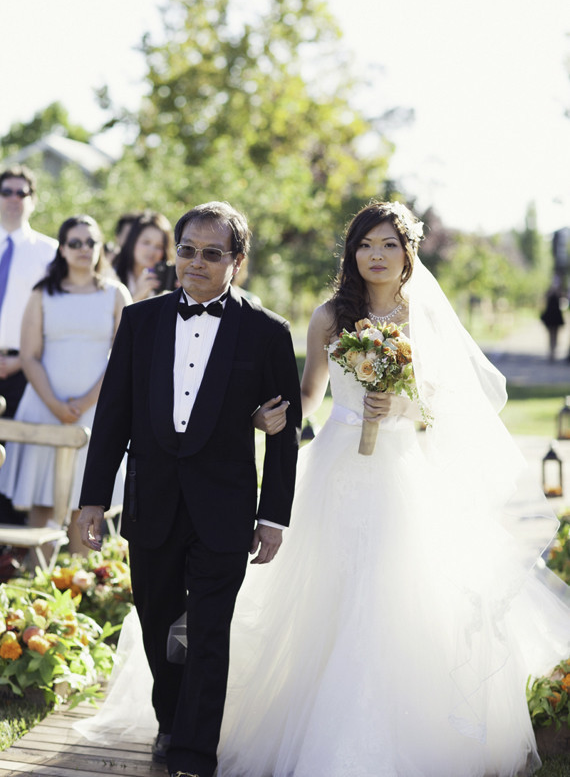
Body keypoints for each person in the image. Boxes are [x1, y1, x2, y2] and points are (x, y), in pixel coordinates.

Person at [78, 200, 570, 777]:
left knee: (380, 600)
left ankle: (201, 753)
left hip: (396, 474)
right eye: (366, 244)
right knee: (256, 608)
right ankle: (187, 722)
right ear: (352, 251)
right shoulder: (324, 317)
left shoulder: (416, 320)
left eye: (388, 244)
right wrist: (274, 418)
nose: (376, 254)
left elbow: (443, 405)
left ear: (408, 252)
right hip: (331, 465)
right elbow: (305, 396)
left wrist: (403, 403)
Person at [77, 200, 301, 777]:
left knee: (207, 632)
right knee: (156, 622)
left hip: (224, 509)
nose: (196, 263)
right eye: (187, 250)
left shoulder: (268, 331)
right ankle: (170, 719)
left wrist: (274, 516)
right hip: (151, 502)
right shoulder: (141, 320)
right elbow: (114, 417)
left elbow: (286, 430)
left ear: (237, 261)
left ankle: (193, 754)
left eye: (212, 253)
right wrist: (93, 501)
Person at [1, 215, 130, 554]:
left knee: (86, 505)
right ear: (62, 248)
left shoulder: (116, 294)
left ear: (101, 247)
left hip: (95, 410)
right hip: (44, 405)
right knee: (42, 500)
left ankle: (81, 587)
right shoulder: (43, 292)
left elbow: (123, 358)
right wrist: (56, 404)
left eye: (91, 242)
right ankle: (37, 586)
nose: (84, 249)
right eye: (75, 242)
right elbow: (29, 355)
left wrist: (86, 401)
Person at [0, 166, 58, 524]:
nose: (14, 199)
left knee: (16, 456)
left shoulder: (50, 253)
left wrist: (23, 359)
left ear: (32, 201)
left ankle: (8, 549)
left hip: (26, 368)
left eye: (22, 193)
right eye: (7, 191)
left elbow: (54, 316)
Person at [112, 211, 176, 301]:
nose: (151, 251)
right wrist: (138, 296)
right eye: (146, 242)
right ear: (133, 241)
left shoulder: (169, 283)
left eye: (159, 246)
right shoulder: (112, 277)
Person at [540, 282, 564, 362]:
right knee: (550, 335)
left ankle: (553, 351)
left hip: (556, 317)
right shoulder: (549, 293)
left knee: (555, 335)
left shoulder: (559, 293)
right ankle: (551, 352)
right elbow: (544, 300)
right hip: (550, 316)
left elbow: (563, 299)